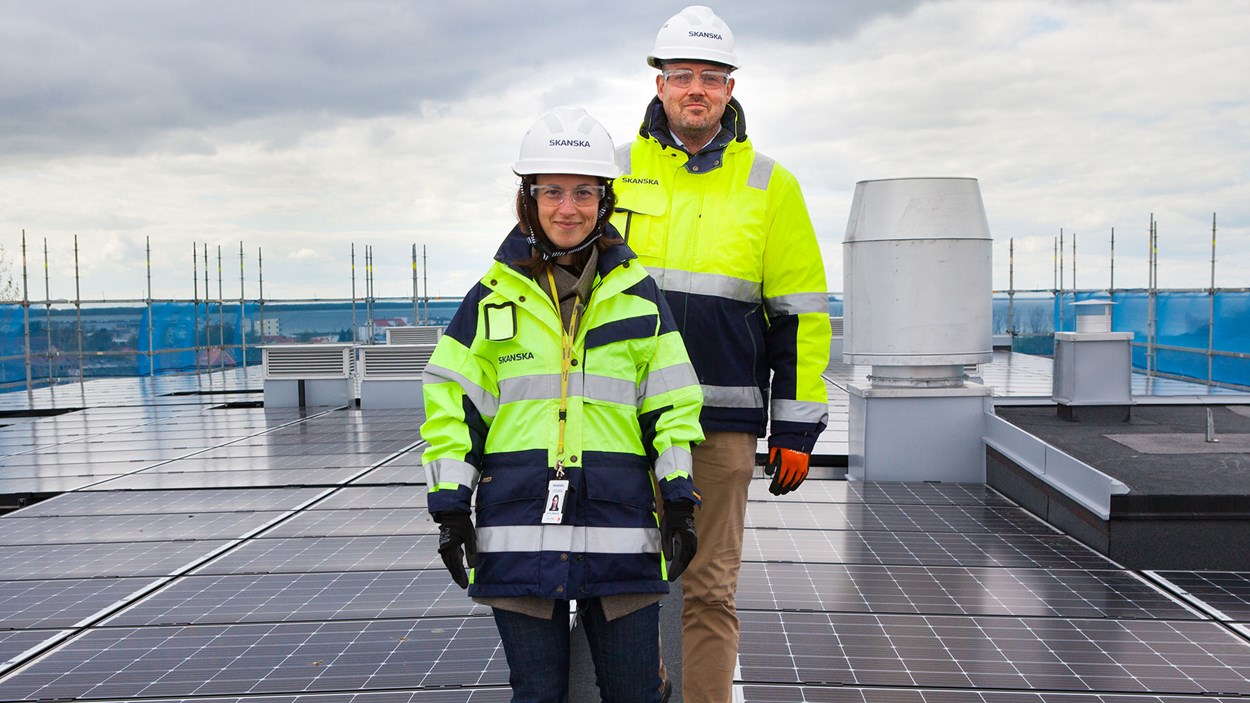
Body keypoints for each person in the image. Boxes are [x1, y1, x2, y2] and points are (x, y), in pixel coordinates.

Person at [421, 106, 705, 703]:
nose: (568, 208)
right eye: (552, 191)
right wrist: (450, 509)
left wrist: (678, 498)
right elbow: (453, 406)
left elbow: (672, 404)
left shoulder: (639, 298)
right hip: (518, 526)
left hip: (620, 525)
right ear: (529, 198)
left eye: (584, 192)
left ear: (604, 201)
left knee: (635, 694)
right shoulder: (491, 300)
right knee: (538, 694)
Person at [610, 7, 831, 702]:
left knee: (708, 589)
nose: (695, 89)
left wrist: (795, 428)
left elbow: (799, 316)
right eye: (682, 76)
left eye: (710, 77)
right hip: (620, 418)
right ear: (660, 82)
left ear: (730, 88)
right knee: (620, 583)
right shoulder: (613, 172)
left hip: (719, 424)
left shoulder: (772, 185)